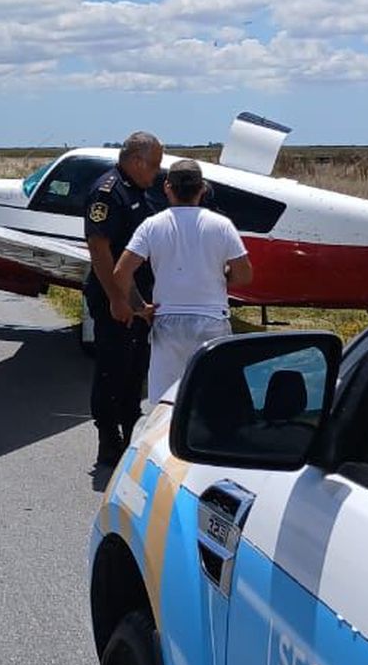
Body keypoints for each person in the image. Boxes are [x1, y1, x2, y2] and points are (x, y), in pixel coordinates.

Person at [113, 158, 253, 405]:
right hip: (212, 321)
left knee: (164, 404)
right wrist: (221, 275)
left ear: (167, 187)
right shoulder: (222, 226)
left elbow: (121, 273)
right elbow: (244, 275)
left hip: (167, 321)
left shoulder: (151, 226)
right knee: (212, 401)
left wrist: (139, 306)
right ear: (202, 188)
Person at [84, 131, 165, 466]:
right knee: (112, 366)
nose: (157, 172)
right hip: (112, 297)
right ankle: (108, 438)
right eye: (154, 164)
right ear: (136, 161)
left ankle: (131, 429)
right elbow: (100, 249)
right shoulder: (108, 193)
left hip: (137, 295)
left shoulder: (140, 190)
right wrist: (118, 299)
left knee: (135, 367)